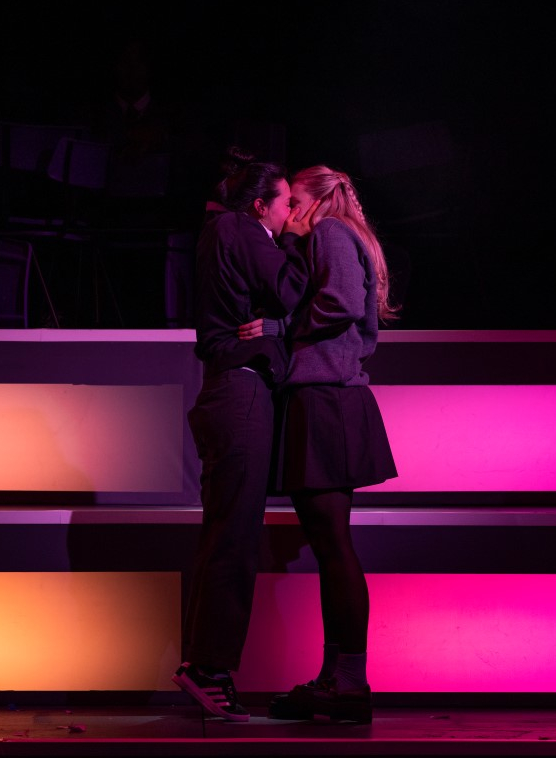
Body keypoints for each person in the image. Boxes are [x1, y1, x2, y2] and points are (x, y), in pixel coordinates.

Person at [259, 164, 400, 724]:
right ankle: (337, 677)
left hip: (326, 397)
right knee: (329, 543)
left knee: (334, 544)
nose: (286, 211)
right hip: (324, 396)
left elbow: (339, 300)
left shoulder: (331, 233)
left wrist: (281, 331)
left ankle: (348, 682)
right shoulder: (333, 235)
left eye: (293, 200)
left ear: (314, 201)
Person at [171, 151, 308, 721]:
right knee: (235, 535)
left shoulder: (219, 229)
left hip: (231, 389)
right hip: (240, 392)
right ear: (261, 205)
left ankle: (205, 666)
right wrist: (298, 242)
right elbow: (294, 290)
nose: (292, 214)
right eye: (287, 204)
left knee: (226, 530)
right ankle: (209, 669)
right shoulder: (243, 229)